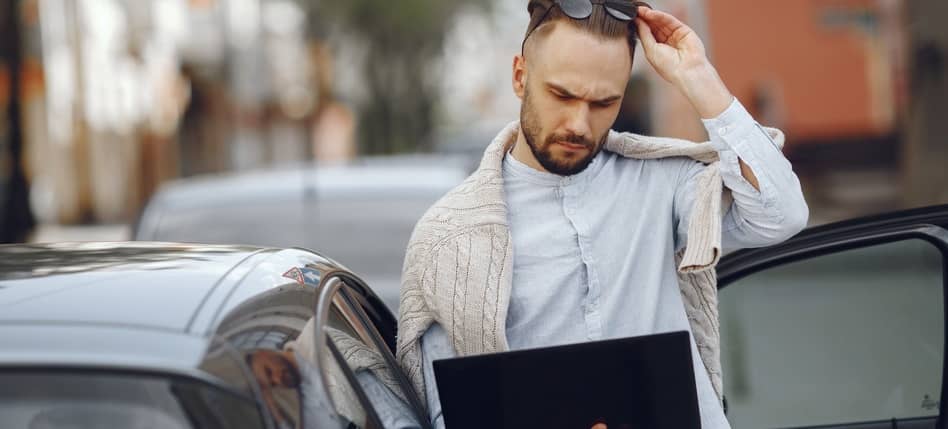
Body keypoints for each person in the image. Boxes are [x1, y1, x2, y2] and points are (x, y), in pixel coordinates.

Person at [396, 1, 809, 428]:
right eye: (562, 95)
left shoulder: (663, 185)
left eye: (602, 103)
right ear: (521, 76)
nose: (579, 123)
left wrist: (698, 77)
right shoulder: (450, 238)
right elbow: (443, 409)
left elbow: (782, 215)